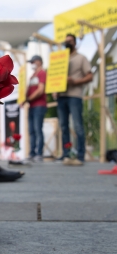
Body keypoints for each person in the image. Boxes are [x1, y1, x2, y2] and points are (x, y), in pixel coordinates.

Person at [54, 34, 93, 165]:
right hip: (61, 96)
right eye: (66, 41)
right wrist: (54, 89)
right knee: (64, 126)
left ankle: (80, 155)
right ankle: (66, 153)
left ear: (75, 43)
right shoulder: (60, 59)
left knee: (77, 126)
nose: (68, 43)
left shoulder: (81, 58)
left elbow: (90, 76)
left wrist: (75, 81)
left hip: (75, 95)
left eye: (70, 41)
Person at [24, 55, 47, 162]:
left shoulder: (42, 73)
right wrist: (24, 99)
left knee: (38, 129)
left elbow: (40, 90)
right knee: (31, 130)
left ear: (39, 62)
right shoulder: (32, 76)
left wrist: (28, 98)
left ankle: (39, 153)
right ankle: (32, 152)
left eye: (33, 61)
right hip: (31, 106)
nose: (31, 64)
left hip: (39, 105)